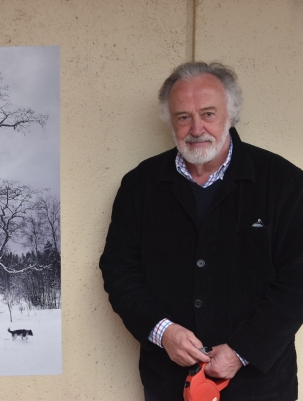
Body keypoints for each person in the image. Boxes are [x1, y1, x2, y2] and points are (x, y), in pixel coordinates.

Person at [99, 61, 303, 401]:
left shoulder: (284, 183)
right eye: (183, 117)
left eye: (208, 113)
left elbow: (298, 279)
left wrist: (243, 349)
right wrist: (163, 332)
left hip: (261, 385)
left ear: (231, 114)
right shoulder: (140, 185)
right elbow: (119, 270)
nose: (196, 128)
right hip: (168, 383)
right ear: (170, 121)